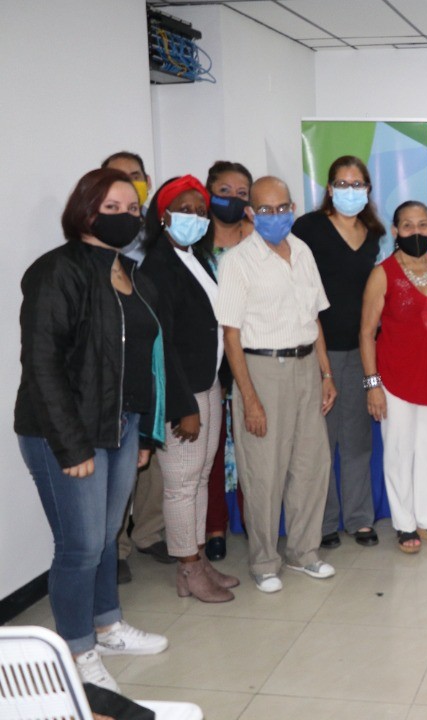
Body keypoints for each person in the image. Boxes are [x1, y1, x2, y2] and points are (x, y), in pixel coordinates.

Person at [15, 168, 169, 691]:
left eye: (133, 209)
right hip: (65, 432)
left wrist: (143, 434)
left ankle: (107, 624)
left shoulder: (131, 273)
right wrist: (71, 445)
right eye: (112, 208)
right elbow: (42, 364)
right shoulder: (57, 271)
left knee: (106, 538)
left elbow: (143, 363)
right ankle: (76, 650)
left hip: (120, 426)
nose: (126, 216)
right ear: (85, 212)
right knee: (79, 546)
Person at [214, 176, 338, 593]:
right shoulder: (237, 261)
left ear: (293, 207)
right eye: (265, 210)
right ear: (251, 212)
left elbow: (314, 317)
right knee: (263, 472)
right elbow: (231, 335)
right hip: (261, 369)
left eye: (282, 208)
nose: (275, 216)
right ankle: (265, 561)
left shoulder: (302, 251)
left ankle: (304, 552)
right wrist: (249, 398)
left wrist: (326, 373)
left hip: (306, 366)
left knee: (311, 465)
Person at [140, 175, 238, 603]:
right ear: (162, 216)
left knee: (199, 479)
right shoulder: (157, 267)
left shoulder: (196, 258)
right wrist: (183, 407)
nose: (195, 218)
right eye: (184, 210)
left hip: (207, 383)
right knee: (181, 484)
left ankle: (196, 559)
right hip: (183, 395)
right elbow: (161, 346)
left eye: (200, 211)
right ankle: (187, 568)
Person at [360, 201, 427, 552]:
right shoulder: (383, 273)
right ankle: (404, 523)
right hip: (396, 379)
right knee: (399, 452)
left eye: (422, 224)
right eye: (407, 225)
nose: (416, 231)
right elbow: (366, 333)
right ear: (395, 231)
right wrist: (373, 385)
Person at [292, 156, 383, 550]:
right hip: (318, 349)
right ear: (329, 189)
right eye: (342, 184)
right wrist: (323, 363)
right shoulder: (307, 228)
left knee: (358, 440)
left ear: (368, 189)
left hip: (360, 348)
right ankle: (325, 521)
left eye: (357, 183)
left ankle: (360, 519)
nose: (350, 190)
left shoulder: (374, 232)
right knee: (322, 442)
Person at [102, 151, 168, 583]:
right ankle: (117, 546)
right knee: (119, 467)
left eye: (136, 176)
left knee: (151, 458)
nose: (131, 182)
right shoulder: (100, 238)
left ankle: (148, 533)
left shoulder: (157, 232)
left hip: (155, 358)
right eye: (119, 178)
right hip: (118, 370)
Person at [202, 160, 254, 562]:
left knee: (254, 446)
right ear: (209, 193)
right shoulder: (195, 249)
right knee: (214, 449)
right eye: (224, 192)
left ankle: (255, 520)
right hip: (208, 359)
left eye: (241, 194)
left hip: (253, 355)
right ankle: (215, 527)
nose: (233, 200)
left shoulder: (258, 244)